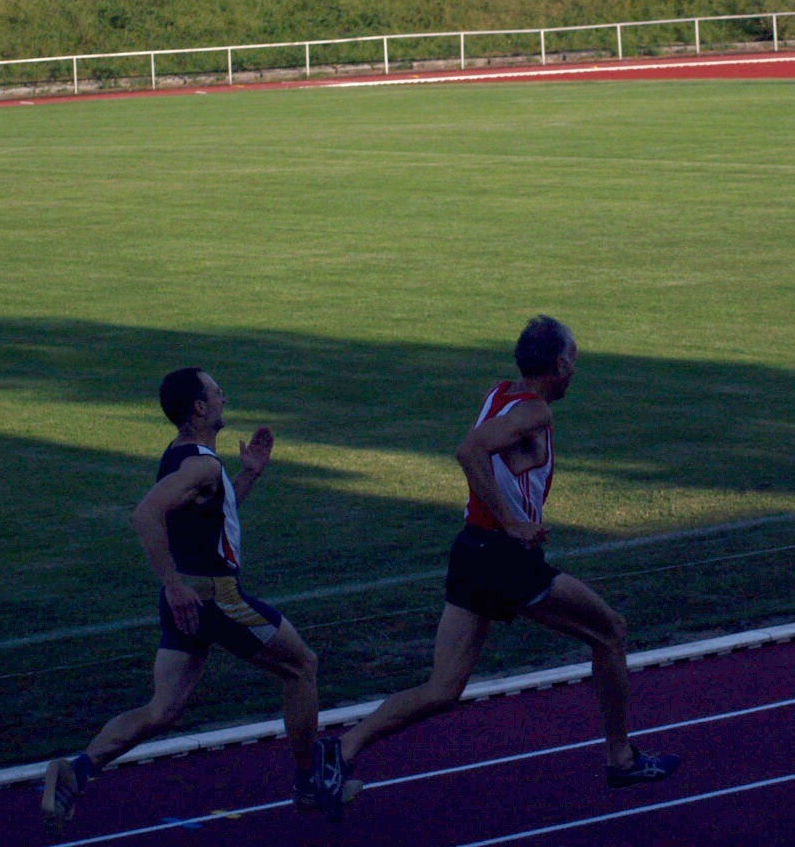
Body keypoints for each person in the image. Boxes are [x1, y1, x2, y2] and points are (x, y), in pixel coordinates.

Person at [312, 316, 679, 819]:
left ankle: (341, 749)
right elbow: (469, 451)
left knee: (443, 688)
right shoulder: (534, 411)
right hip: (503, 556)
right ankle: (621, 759)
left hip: (473, 550)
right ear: (559, 363)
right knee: (610, 632)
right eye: (574, 361)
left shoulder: (502, 394)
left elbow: (493, 451)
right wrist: (512, 522)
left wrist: (510, 503)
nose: (576, 371)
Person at [41, 368, 323, 831]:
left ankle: (79, 770)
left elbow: (210, 521)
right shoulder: (202, 466)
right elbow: (145, 514)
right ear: (199, 407)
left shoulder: (181, 456)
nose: (224, 397)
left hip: (187, 602)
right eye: (217, 392)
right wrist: (173, 583)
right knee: (302, 667)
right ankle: (312, 782)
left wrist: (248, 476)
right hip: (216, 598)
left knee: (163, 709)